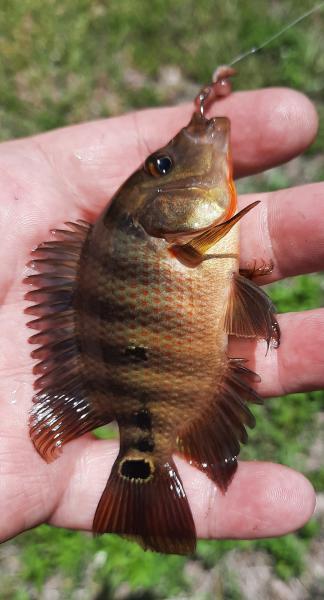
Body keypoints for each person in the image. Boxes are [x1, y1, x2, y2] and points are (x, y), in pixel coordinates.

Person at [0, 87, 322, 544]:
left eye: (161, 165)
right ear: (156, 212)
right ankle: (142, 469)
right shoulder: (173, 239)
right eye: (162, 167)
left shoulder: (182, 239)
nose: (168, 163)